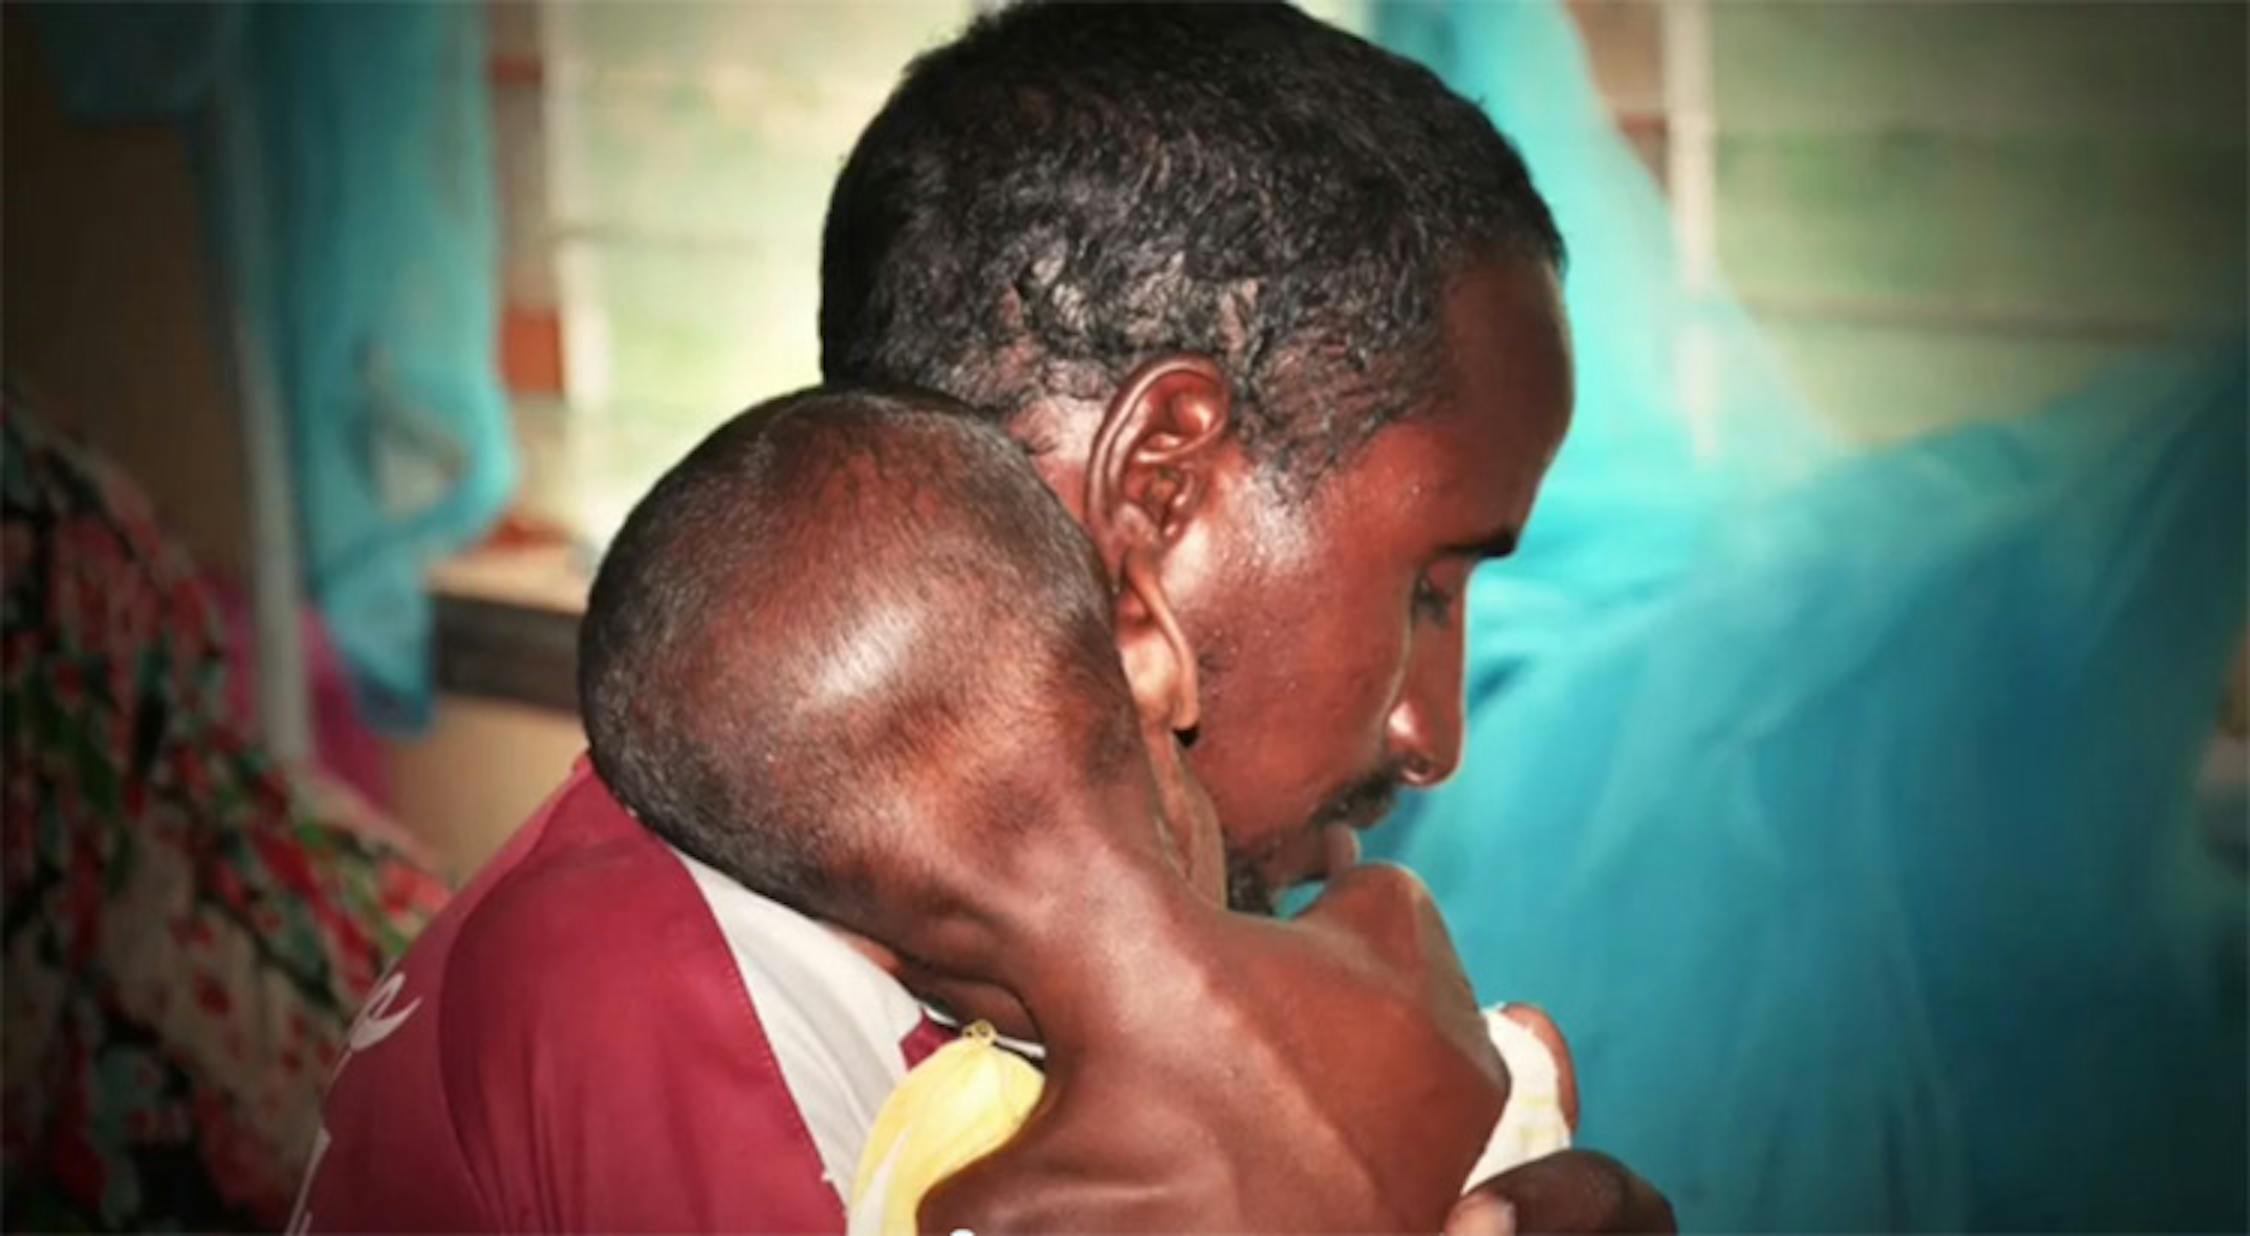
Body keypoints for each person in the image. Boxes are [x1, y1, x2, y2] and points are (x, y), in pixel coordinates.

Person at [301, 2, 1670, 1229]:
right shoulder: (647, 1009)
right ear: (1155, 497)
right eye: (1429, 586)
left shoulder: (942, 969)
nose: (1434, 734)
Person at [570, 388, 1572, 1232]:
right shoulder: (1391, 928)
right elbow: (1525, 1064)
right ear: (1152, 656)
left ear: (862, 949)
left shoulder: (992, 1199)